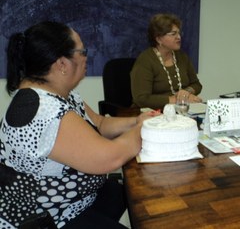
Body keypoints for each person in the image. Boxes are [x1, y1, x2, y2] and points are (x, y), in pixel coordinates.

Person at [0, 21, 159, 229]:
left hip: (74, 201)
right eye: (82, 52)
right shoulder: (43, 110)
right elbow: (109, 158)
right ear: (62, 64)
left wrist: (136, 120)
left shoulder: (59, 94)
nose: (86, 57)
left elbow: (100, 123)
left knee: (132, 197)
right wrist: (143, 129)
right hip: (47, 220)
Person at [130, 13, 202, 109]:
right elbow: (141, 99)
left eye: (179, 33)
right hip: (151, 114)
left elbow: (196, 84)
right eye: (173, 34)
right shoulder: (145, 60)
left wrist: (187, 92)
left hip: (180, 110)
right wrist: (176, 100)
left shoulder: (182, 56)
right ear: (159, 39)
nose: (179, 37)